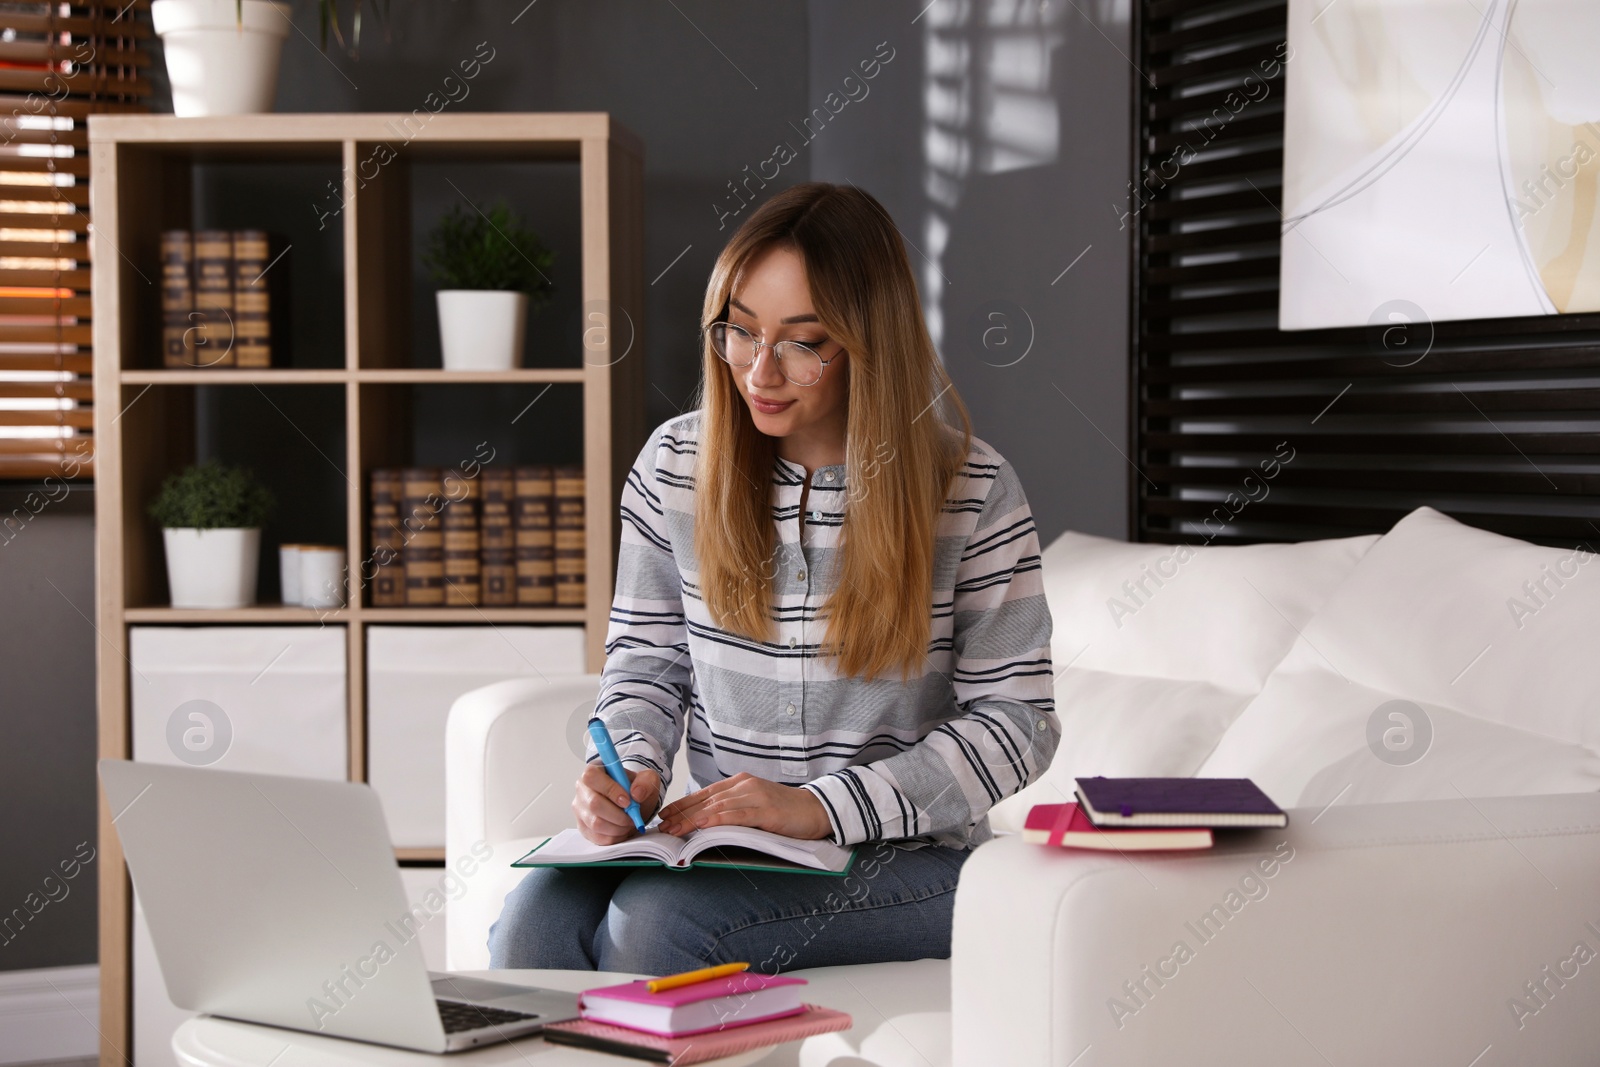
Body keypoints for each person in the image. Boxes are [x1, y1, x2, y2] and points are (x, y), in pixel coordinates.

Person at [488, 181, 1058, 975]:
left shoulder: (971, 489)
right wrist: (629, 765)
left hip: (907, 860)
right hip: (723, 849)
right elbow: (647, 666)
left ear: (868, 342)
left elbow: (1017, 723)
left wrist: (817, 808)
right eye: (740, 331)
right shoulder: (674, 468)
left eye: (801, 341)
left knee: (655, 928)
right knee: (529, 925)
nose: (760, 370)